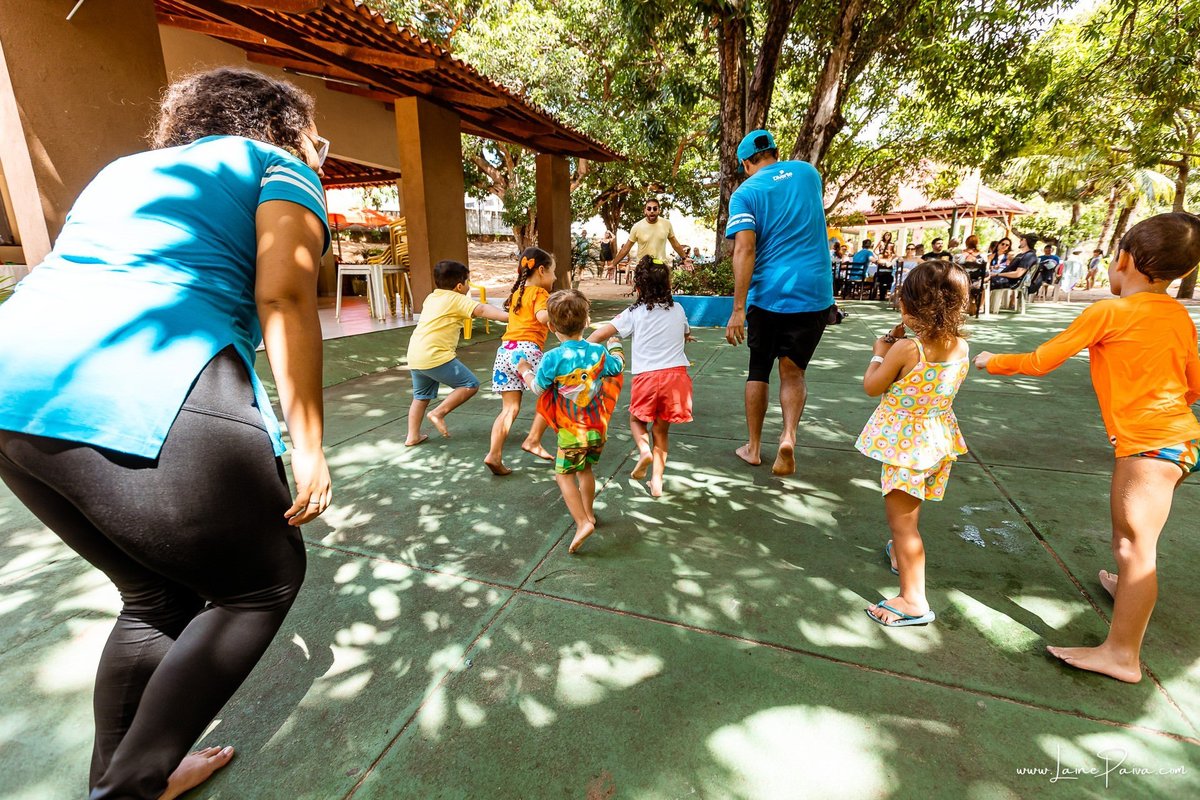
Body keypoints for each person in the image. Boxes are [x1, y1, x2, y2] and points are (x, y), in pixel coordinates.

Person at [0, 67, 332, 799]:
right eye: (318, 138)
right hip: (145, 378)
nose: (321, 150)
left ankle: (118, 779)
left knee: (155, 596)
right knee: (264, 580)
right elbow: (284, 295)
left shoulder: (122, 171)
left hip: (11, 389)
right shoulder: (278, 166)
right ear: (284, 127)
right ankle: (128, 790)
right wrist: (309, 445)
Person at [974, 212, 1200, 682]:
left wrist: (993, 360)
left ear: (1124, 260)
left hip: (1149, 447)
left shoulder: (1109, 312)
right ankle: (1128, 591)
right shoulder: (1177, 314)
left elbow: (1041, 361)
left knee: (1134, 548)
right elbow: (1194, 385)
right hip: (1179, 439)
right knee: (1132, 542)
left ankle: (1122, 655)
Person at [857, 260, 971, 627]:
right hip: (936, 440)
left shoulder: (907, 349)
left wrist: (879, 351)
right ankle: (899, 554)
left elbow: (872, 385)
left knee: (903, 526)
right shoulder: (961, 346)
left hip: (906, 448)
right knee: (909, 510)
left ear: (909, 306)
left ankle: (913, 600)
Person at [723, 129, 835, 476]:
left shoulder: (745, 193)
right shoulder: (808, 173)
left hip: (768, 294)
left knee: (759, 368)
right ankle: (788, 436)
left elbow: (745, 249)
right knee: (793, 371)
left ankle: (754, 448)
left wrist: (738, 309)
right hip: (814, 292)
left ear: (745, 163)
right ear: (775, 151)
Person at [517, 290, 625, 553]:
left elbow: (539, 388)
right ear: (587, 321)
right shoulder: (598, 352)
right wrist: (616, 346)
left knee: (563, 475)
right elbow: (617, 367)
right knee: (585, 471)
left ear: (551, 327)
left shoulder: (553, 358)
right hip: (597, 430)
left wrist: (524, 370)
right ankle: (589, 514)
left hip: (571, 433)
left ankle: (582, 522)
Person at [589, 256, 694, 497]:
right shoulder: (678, 309)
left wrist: (579, 349)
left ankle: (644, 451)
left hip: (647, 377)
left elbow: (601, 334)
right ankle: (656, 482)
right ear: (668, 285)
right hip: (677, 378)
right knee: (661, 431)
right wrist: (685, 336)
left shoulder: (634, 312)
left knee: (637, 421)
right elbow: (685, 331)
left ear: (638, 287)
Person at [405, 260, 509, 445]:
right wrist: (509, 317)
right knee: (470, 384)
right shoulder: (457, 299)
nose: (468, 285)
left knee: (420, 396)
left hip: (415, 354)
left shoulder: (432, 297)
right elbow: (482, 309)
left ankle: (412, 436)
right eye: (467, 282)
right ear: (460, 286)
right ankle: (439, 413)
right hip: (435, 355)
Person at [484, 247, 556, 475]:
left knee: (509, 409)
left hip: (505, 352)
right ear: (542, 270)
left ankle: (494, 454)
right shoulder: (540, 294)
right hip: (527, 351)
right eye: (553, 272)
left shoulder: (517, 293)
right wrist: (560, 311)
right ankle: (533, 439)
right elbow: (542, 317)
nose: (555, 277)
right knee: (553, 393)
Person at [608, 199, 693, 279]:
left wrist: (684, 258)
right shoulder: (637, 227)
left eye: (655, 208)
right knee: (642, 290)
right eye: (649, 208)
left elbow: (675, 244)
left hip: (661, 268)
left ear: (659, 210)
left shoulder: (666, 224)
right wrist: (613, 264)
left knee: (664, 290)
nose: (652, 211)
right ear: (645, 211)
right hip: (643, 268)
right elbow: (626, 248)